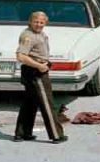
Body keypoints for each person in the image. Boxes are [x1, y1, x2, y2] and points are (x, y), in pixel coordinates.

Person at [14, 12, 67, 143]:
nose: (38, 24)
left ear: (45, 23)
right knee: (47, 103)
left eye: (41, 22)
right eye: (36, 22)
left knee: (30, 103)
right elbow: (21, 56)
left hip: (36, 70)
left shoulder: (40, 34)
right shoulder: (28, 36)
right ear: (30, 22)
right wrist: (39, 66)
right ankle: (56, 135)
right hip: (35, 72)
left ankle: (22, 133)